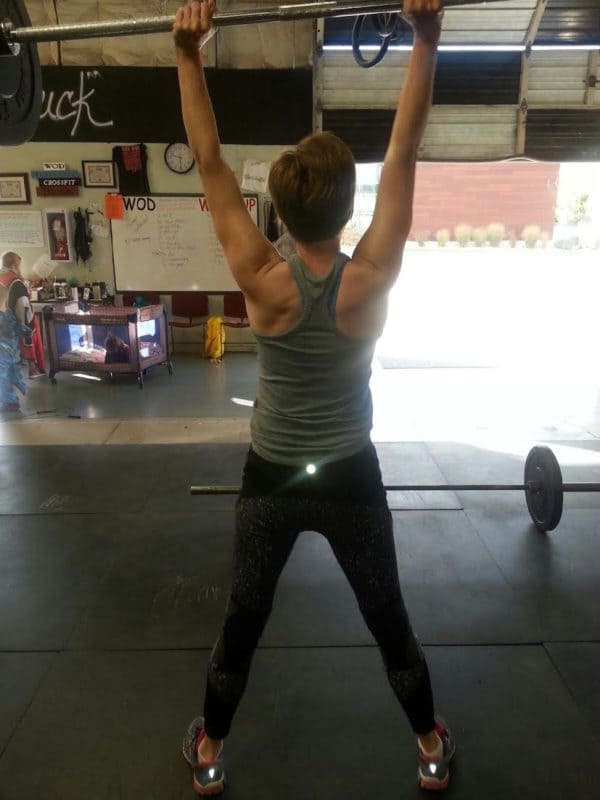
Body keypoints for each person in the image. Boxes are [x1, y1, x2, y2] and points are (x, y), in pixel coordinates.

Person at [174, 0, 453, 794]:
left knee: (243, 624)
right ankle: (431, 751)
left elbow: (208, 160)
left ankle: (209, 757)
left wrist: (190, 57)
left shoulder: (262, 279)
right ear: (346, 208)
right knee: (387, 619)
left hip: (271, 480)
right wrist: (427, 39)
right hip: (350, 479)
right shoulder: (370, 278)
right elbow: (405, 150)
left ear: (283, 215)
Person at [0, 251, 45, 378]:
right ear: (14, 265)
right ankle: (33, 369)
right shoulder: (17, 283)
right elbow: (23, 306)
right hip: (16, 319)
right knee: (29, 337)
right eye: (19, 265)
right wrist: (26, 324)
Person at [0, 282, 32, 412]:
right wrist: (27, 331)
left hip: (3, 354)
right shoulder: (8, 314)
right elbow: (19, 327)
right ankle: (12, 401)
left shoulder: (5, 316)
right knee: (9, 376)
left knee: (3, 378)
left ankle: (11, 401)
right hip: (12, 353)